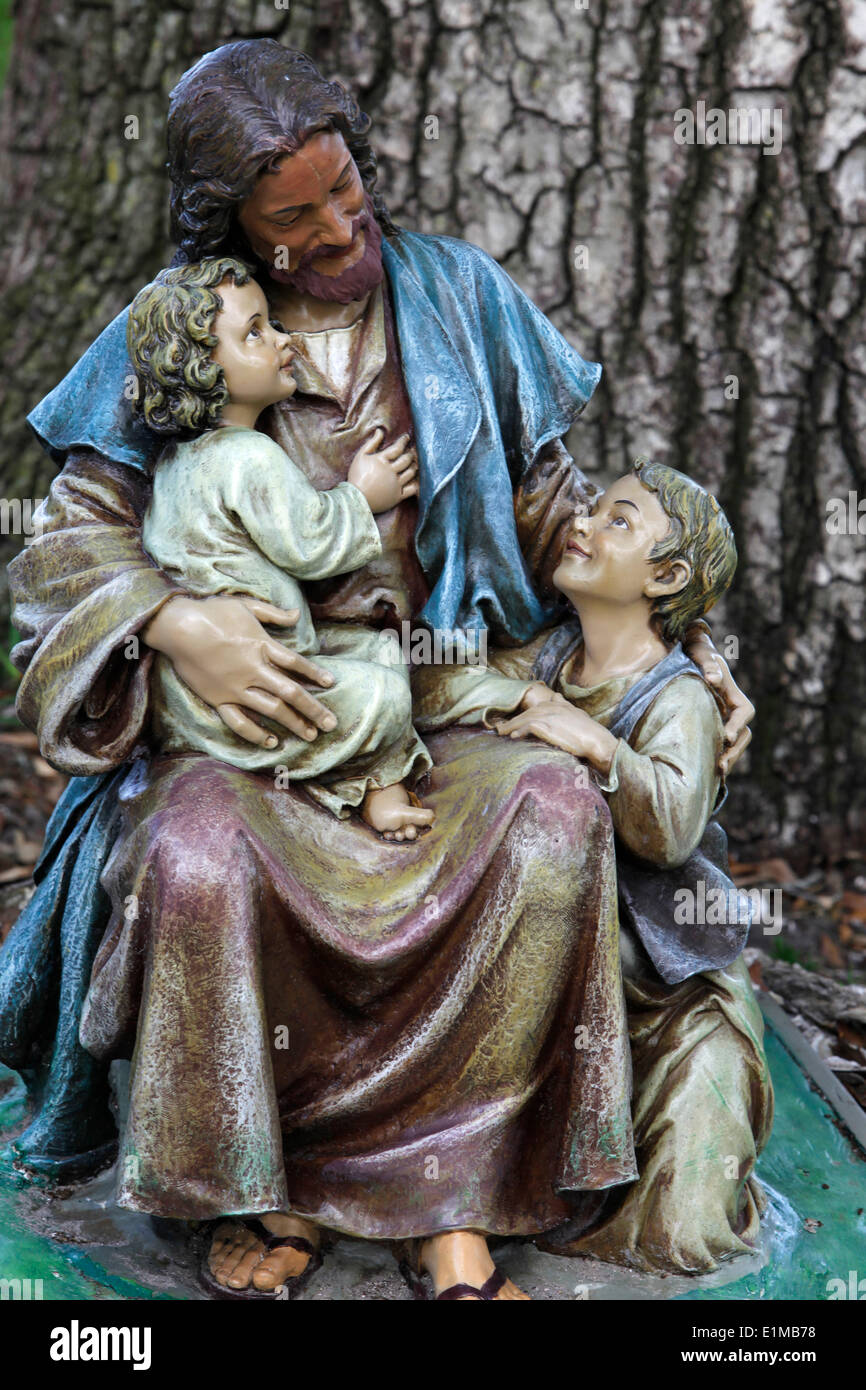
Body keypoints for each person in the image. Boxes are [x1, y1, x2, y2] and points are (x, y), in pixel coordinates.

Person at [0, 41, 757, 1298]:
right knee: (195, 860)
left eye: (345, 190)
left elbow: (564, 514)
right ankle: (259, 1194)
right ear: (229, 224)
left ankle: (453, 1203)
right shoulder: (187, 329)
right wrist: (173, 618)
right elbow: (66, 537)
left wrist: (700, 657)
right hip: (253, 731)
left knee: (551, 817)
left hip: (441, 702)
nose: (338, 228)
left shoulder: (458, 297)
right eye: (292, 218)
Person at [413, 460, 774, 1272]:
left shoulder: (675, 697)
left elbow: (673, 829)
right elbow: (443, 685)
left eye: (618, 520)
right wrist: (510, 700)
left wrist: (597, 743)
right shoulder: (551, 655)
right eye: (593, 507)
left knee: (685, 1228)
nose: (581, 520)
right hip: (558, 952)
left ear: (668, 575)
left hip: (660, 977)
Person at [130, 256, 433, 840]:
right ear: (203, 369)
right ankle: (363, 786)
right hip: (249, 689)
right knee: (384, 695)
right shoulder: (248, 457)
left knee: (376, 653)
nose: (281, 340)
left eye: (270, 323)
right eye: (255, 333)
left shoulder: (176, 462)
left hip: (203, 682)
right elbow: (312, 545)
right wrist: (364, 494)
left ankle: (370, 777)